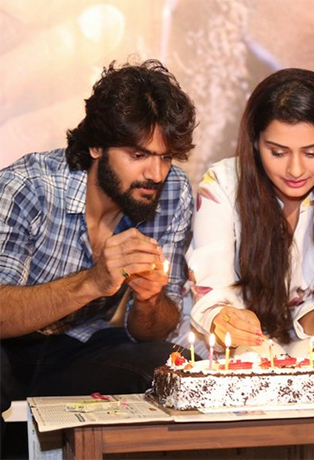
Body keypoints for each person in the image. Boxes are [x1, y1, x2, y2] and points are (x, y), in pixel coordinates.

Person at [0, 59, 196, 440]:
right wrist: (93, 282)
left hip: (78, 347)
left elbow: (153, 330)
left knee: (177, 368)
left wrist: (150, 300)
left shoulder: (172, 193)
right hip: (7, 347)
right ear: (95, 146)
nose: (156, 174)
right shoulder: (29, 187)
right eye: (138, 155)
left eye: (166, 157)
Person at [187, 68, 314, 358]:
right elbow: (213, 295)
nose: (295, 170)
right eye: (278, 152)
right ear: (255, 140)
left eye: (312, 153)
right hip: (228, 346)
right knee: (249, 358)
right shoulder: (222, 185)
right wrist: (226, 320)